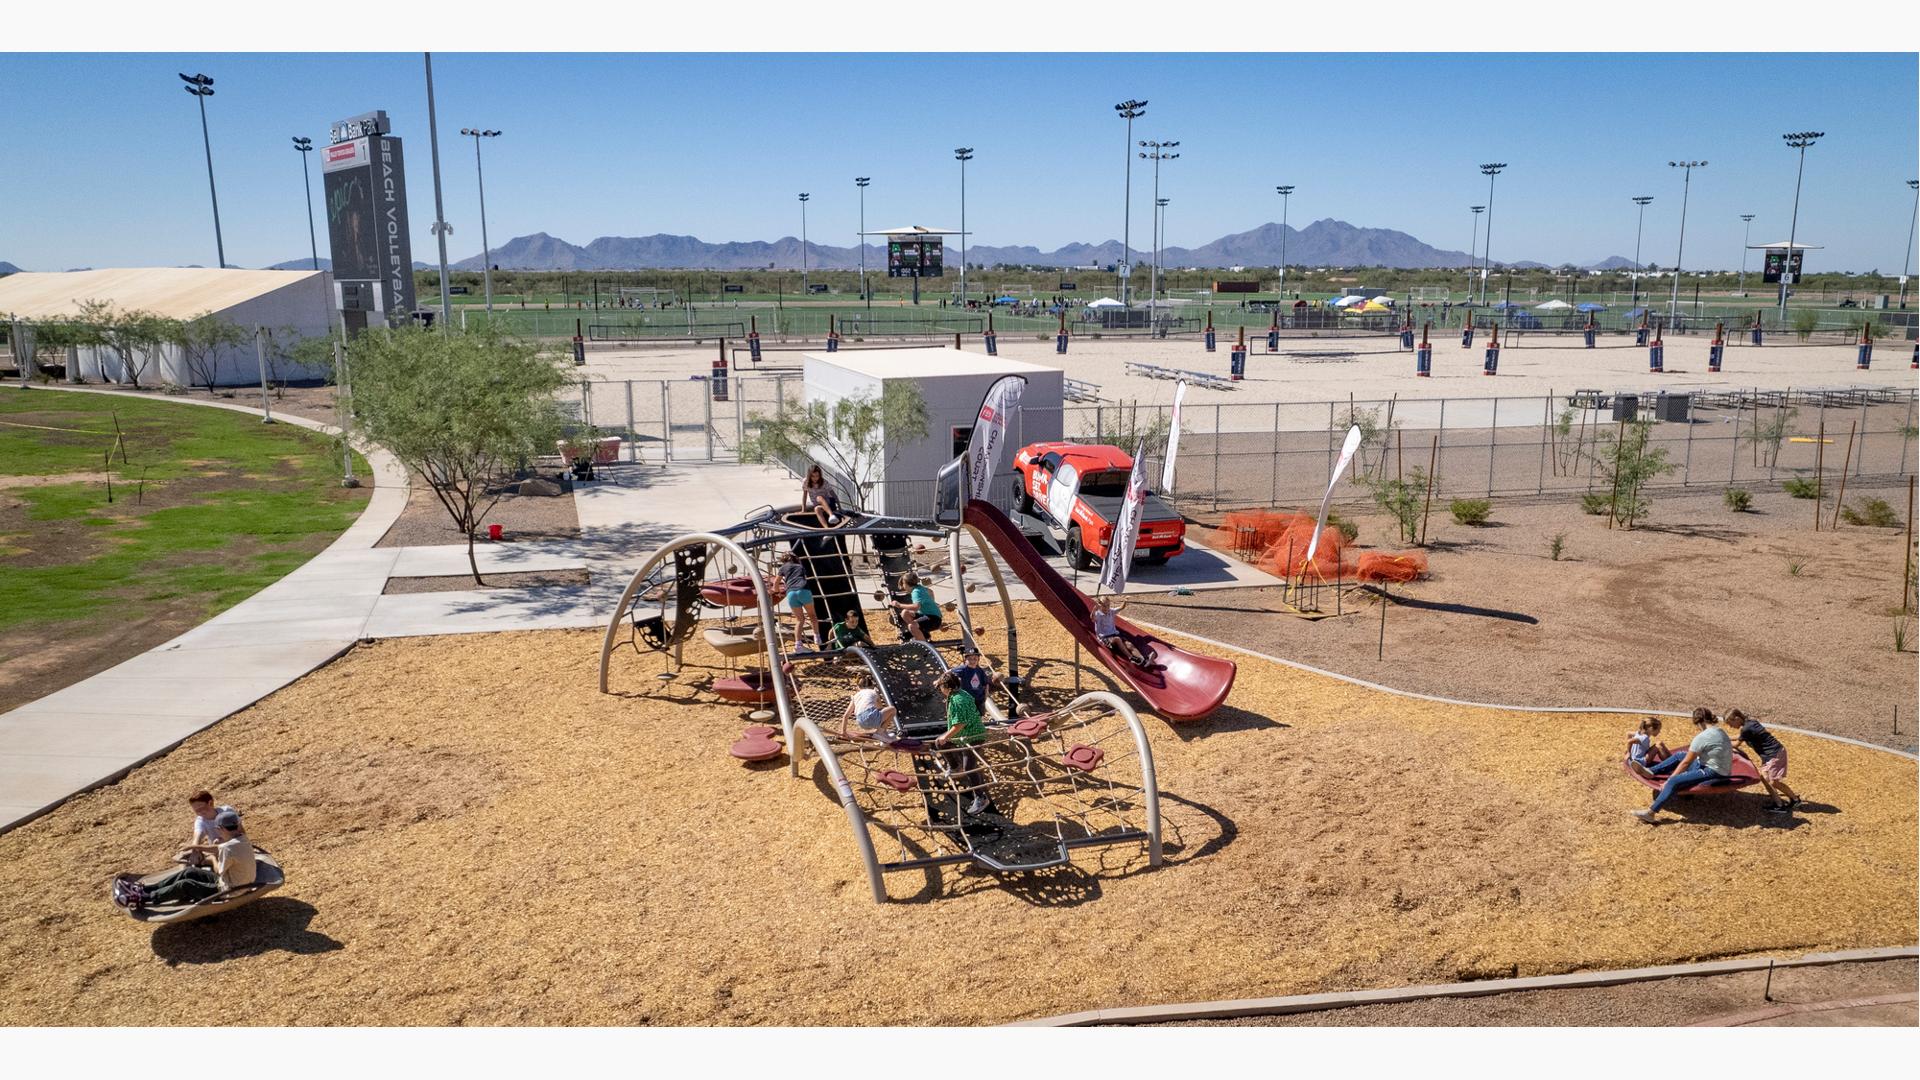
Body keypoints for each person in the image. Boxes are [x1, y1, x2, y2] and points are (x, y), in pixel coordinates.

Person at [137, 810, 256, 908]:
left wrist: (213, 858)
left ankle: (146, 897)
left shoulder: (227, 848)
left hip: (230, 890)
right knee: (189, 872)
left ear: (221, 829)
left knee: (185, 885)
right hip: (238, 881)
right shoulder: (242, 838)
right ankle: (148, 889)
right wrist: (194, 847)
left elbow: (219, 870)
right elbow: (218, 847)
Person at [1633, 708, 1732, 823]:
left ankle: (1650, 813)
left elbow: (1686, 763)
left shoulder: (1702, 737)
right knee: (1680, 755)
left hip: (1714, 772)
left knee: (1674, 780)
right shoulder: (1720, 731)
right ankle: (1651, 771)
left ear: (1697, 722)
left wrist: (1669, 780)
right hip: (1721, 769)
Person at [933, 672, 992, 816]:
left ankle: (981, 798)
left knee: (969, 768)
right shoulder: (959, 693)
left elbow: (960, 724)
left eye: (941, 686)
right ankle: (955, 767)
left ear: (947, 687)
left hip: (973, 736)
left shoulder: (958, 700)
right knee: (941, 744)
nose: (940, 689)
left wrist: (945, 736)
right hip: (964, 735)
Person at [1725, 708, 1801, 814]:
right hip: (1773, 753)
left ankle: (1793, 800)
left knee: (1772, 781)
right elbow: (1741, 736)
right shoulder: (1750, 723)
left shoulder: (1746, 729)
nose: (1730, 726)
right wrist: (1726, 737)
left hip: (1774, 754)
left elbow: (1737, 744)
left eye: (1730, 723)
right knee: (1764, 778)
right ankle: (1780, 803)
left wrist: (1721, 742)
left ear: (1737, 718)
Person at [777, 550, 819, 650]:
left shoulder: (783, 567)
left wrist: (777, 591)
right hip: (803, 590)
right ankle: (817, 637)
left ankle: (798, 644)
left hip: (791, 593)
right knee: (812, 615)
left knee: (800, 620)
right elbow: (803, 577)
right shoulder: (800, 566)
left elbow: (776, 583)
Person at [1091, 596, 1149, 666]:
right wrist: (1094, 610)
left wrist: (1125, 601)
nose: (1106, 608)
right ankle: (1131, 657)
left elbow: (1121, 608)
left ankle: (1143, 660)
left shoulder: (1111, 611)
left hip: (1114, 635)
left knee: (1129, 644)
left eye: (1108, 605)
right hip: (1105, 638)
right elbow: (1092, 618)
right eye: (1104, 606)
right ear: (1099, 606)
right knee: (1117, 639)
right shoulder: (1098, 614)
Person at [839, 677, 897, 742]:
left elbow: (845, 716)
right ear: (872, 686)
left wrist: (843, 731)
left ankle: (883, 735)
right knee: (892, 709)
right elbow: (880, 707)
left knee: (879, 714)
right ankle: (880, 733)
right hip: (872, 718)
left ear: (858, 687)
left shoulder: (855, 696)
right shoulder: (873, 692)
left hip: (861, 722)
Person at [949, 644, 1002, 713]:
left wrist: (986, 694)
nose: (972, 661)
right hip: (966, 699)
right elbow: (949, 671)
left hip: (979, 698)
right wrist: (938, 681)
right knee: (968, 715)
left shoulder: (980, 671)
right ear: (966, 659)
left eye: (975, 659)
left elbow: (986, 683)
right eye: (970, 659)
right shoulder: (963, 669)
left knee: (979, 714)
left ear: (978, 659)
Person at [895, 571, 942, 642]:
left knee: (912, 626)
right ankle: (923, 634)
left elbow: (916, 607)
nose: (903, 587)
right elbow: (931, 591)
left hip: (933, 619)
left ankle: (924, 648)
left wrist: (899, 605)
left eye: (903, 584)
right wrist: (931, 603)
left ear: (906, 583)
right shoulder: (919, 587)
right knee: (905, 613)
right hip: (926, 615)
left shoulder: (916, 592)